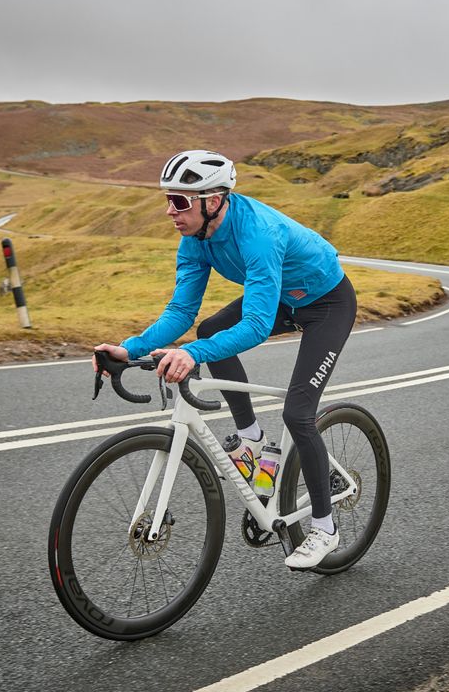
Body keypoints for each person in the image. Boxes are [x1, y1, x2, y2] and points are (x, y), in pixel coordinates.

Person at [93, 149, 357, 570]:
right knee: (209, 330)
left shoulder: (259, 234)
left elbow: (255, 326)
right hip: (285, 301)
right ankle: (251, 440)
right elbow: (181, 312)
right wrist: (129, 349)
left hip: (327, 304)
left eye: (180, 201)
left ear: (212, 200)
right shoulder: (194, 240)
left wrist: (190, 355)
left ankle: (325, 529)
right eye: (167, 199)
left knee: (298, 413)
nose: (169, 211)